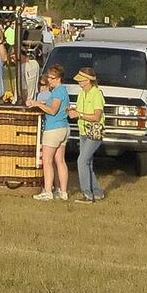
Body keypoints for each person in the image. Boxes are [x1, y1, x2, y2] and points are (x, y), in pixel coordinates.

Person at [33, 65, 71, 201]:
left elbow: (52, 110)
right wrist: (43, 102)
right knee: (60, 161)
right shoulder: (63, 91)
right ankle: (63, 191)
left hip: (53, 128)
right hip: (64, 128)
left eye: (52, 78)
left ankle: (48, 191)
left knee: (47, 160)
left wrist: (37, 104)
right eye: (48, 77)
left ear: (59, 78)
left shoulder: (57, 91)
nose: (49, 80)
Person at [72, 66, 106, 201]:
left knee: (82, 161)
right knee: (87, 163)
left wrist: (79, 114)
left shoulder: (96, 94)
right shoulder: (81, 94)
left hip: (94, 132)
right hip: (83, 131)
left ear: (88, 80)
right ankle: (97, 192)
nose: (79, 82)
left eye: (81, 80)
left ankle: (87, 194)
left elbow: (97, 116)